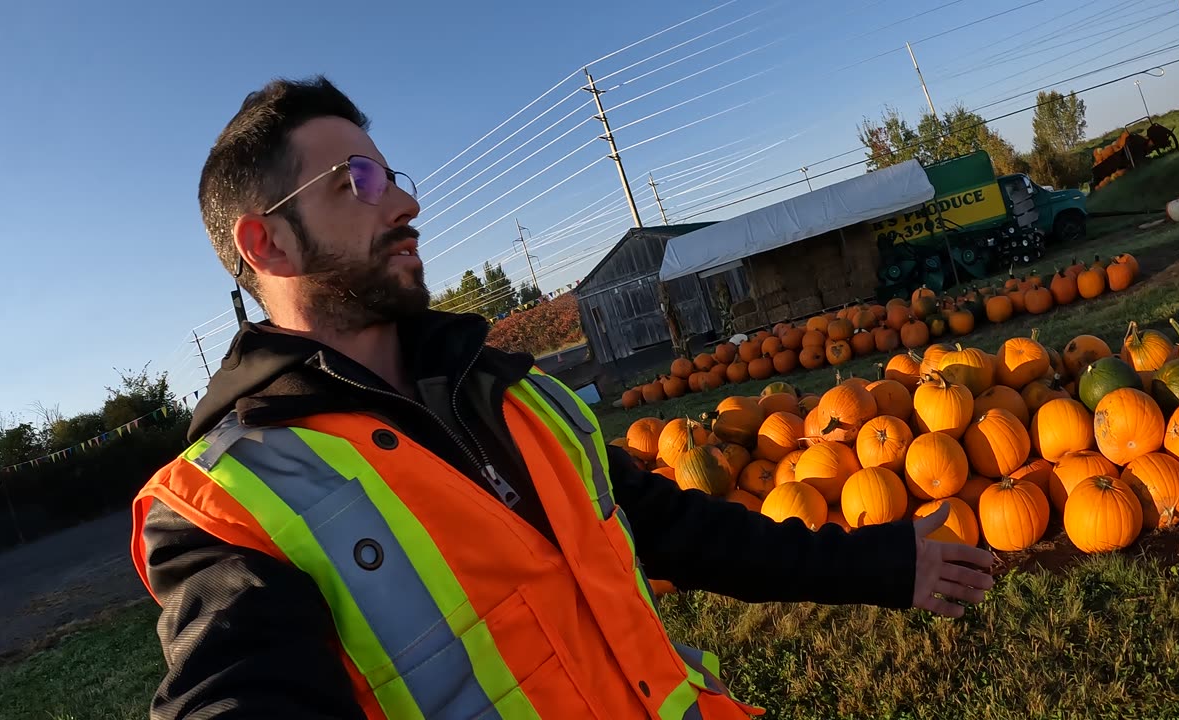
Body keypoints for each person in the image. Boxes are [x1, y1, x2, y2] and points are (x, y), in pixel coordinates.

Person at [129, 76, 995, 720]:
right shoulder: (231, 505)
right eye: (357, 181)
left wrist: (881, 565)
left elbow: (679, 531)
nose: (406, 202)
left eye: (392, 174)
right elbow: (233, 691)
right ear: (266, 242)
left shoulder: (516, 392)